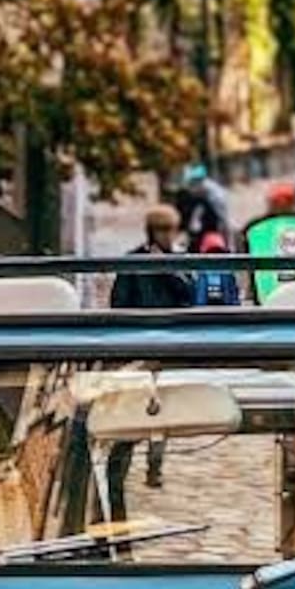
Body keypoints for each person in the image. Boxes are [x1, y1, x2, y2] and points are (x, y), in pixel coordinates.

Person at [107, 205, 192, 498]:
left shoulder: (178, 262)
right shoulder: (133, 261)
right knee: (136, 406)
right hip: (139, 344)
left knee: (161, 406)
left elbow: (188, 296)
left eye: (171, 230)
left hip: (168, 345)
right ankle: (119, 465)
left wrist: (167, 270)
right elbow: (119, 302)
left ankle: (155, 465)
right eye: (162, 230)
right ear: (151, 231)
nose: (167, 236)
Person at [175, 163, 232, 247]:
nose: (190, 189)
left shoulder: (214, 195)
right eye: (190, 184)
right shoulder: (191, 197)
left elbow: (222, 220)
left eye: (192, 184)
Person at [194, 228, 244, 309]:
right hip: (205, 310)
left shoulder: (227, 273)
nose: (215, 256)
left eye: (218, 252)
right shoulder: (200, 274)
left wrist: (235, 308)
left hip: (225, 310)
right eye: (211, 253)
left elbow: (233, 295)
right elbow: (198, 296)